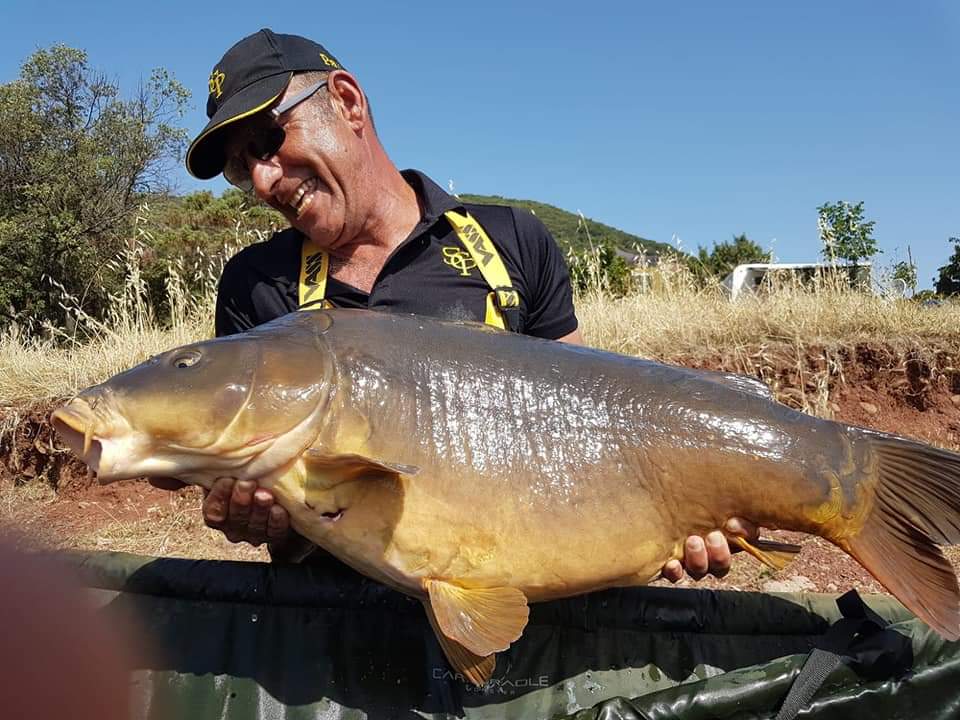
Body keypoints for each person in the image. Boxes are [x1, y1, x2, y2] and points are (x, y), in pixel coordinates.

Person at [162, 28, 756, 579]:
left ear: (346, 101)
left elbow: (590, 416)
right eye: (240, 168)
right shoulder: (253, 284)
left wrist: (674, 510)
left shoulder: (512, 241)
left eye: (268, 140)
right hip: (336, 623)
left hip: (524, 595)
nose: (263, 181)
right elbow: (275, 515)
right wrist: (260, 521)